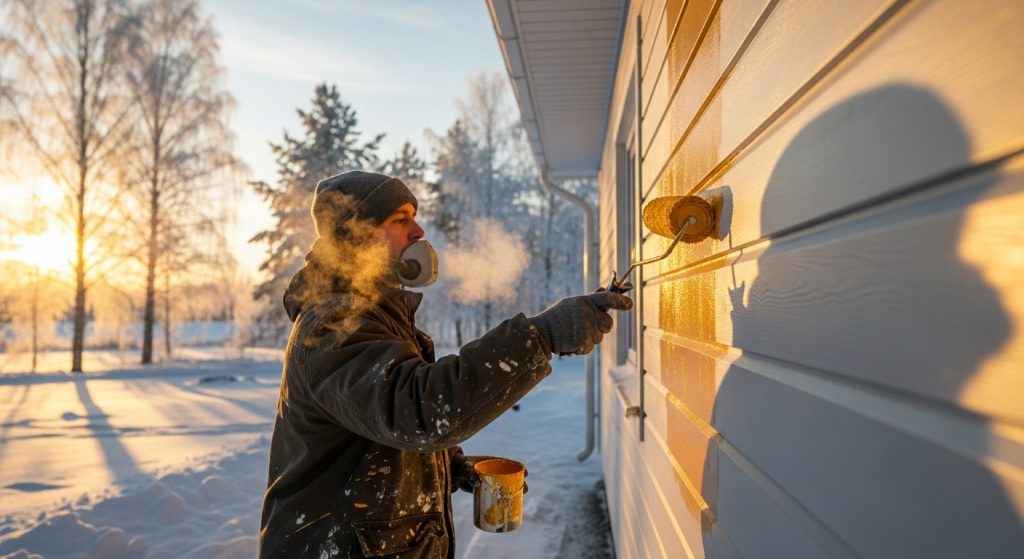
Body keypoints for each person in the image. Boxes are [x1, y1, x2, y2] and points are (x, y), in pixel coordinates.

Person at [259, 170, 632, 558]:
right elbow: (417, 411)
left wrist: (450, 466)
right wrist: (539, 336)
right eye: (400, 219)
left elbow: (376, 431)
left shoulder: (375, 316)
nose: (419, 231)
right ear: (357, 236)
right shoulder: (333, 323)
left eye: (414, 217)